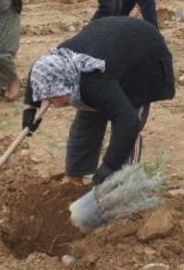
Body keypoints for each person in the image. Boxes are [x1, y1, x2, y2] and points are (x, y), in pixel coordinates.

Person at [21, 17, 175, 187]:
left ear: (68, 81)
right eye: (49, 99)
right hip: (109, 46)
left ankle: (121, 185)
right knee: (86, 122)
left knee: (128, 125)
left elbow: (128, 122)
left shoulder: (95, 82)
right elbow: (38, 70)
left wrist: (109, 166)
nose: (55, 104)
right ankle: (73, 179)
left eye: (56, 96)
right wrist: (30, 108)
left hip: (143, 59)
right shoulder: (55, 63)